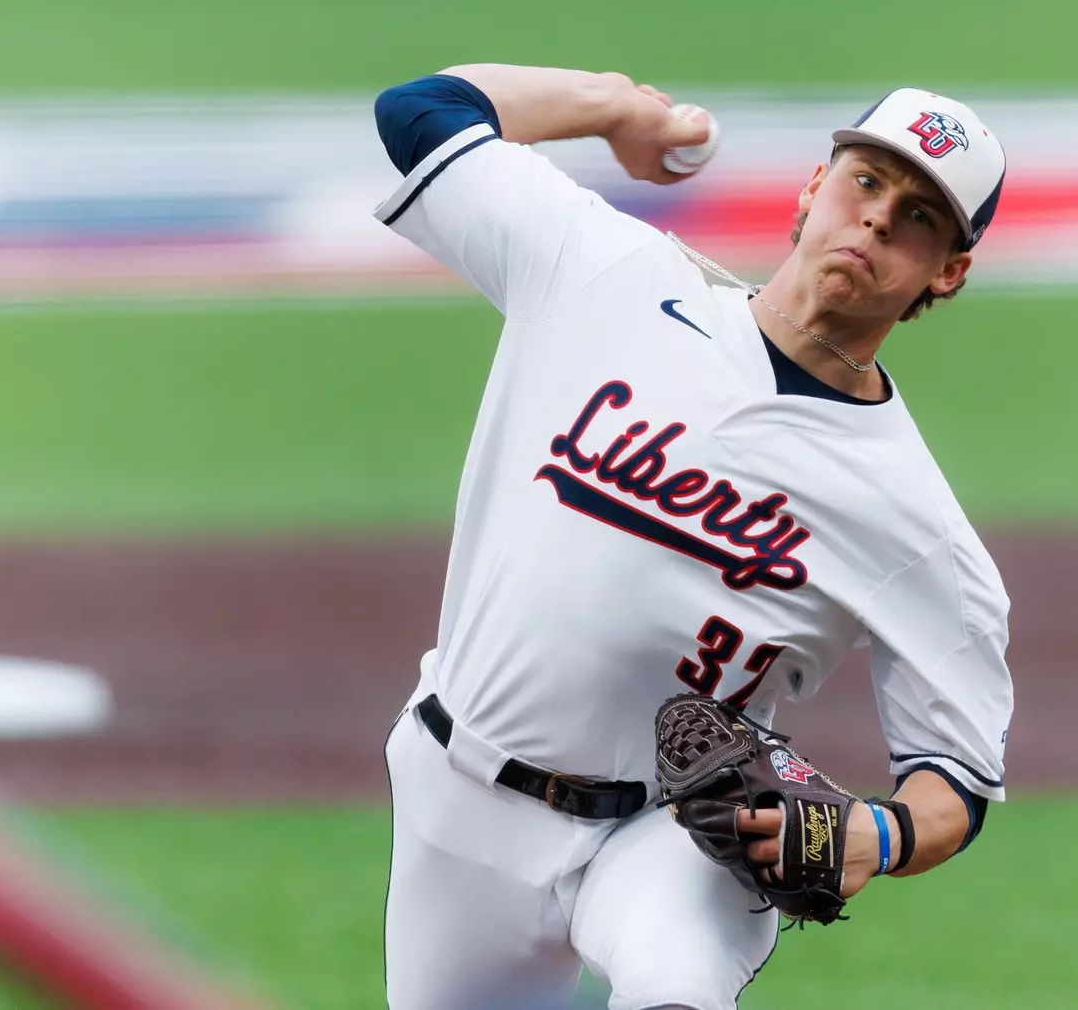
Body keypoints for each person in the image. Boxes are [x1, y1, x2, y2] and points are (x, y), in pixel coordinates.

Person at [373, 64, 1013, 1010]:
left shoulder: (914, 520)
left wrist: (878, 835)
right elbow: (421, 112)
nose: (877, 218)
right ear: (814, 186)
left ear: (948, 271)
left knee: (675, 989)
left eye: (921, 216)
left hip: (669, 835)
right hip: (454, 791)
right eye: (866, 181)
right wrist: (617, 108)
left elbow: (955, 779)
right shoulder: (605, 273)